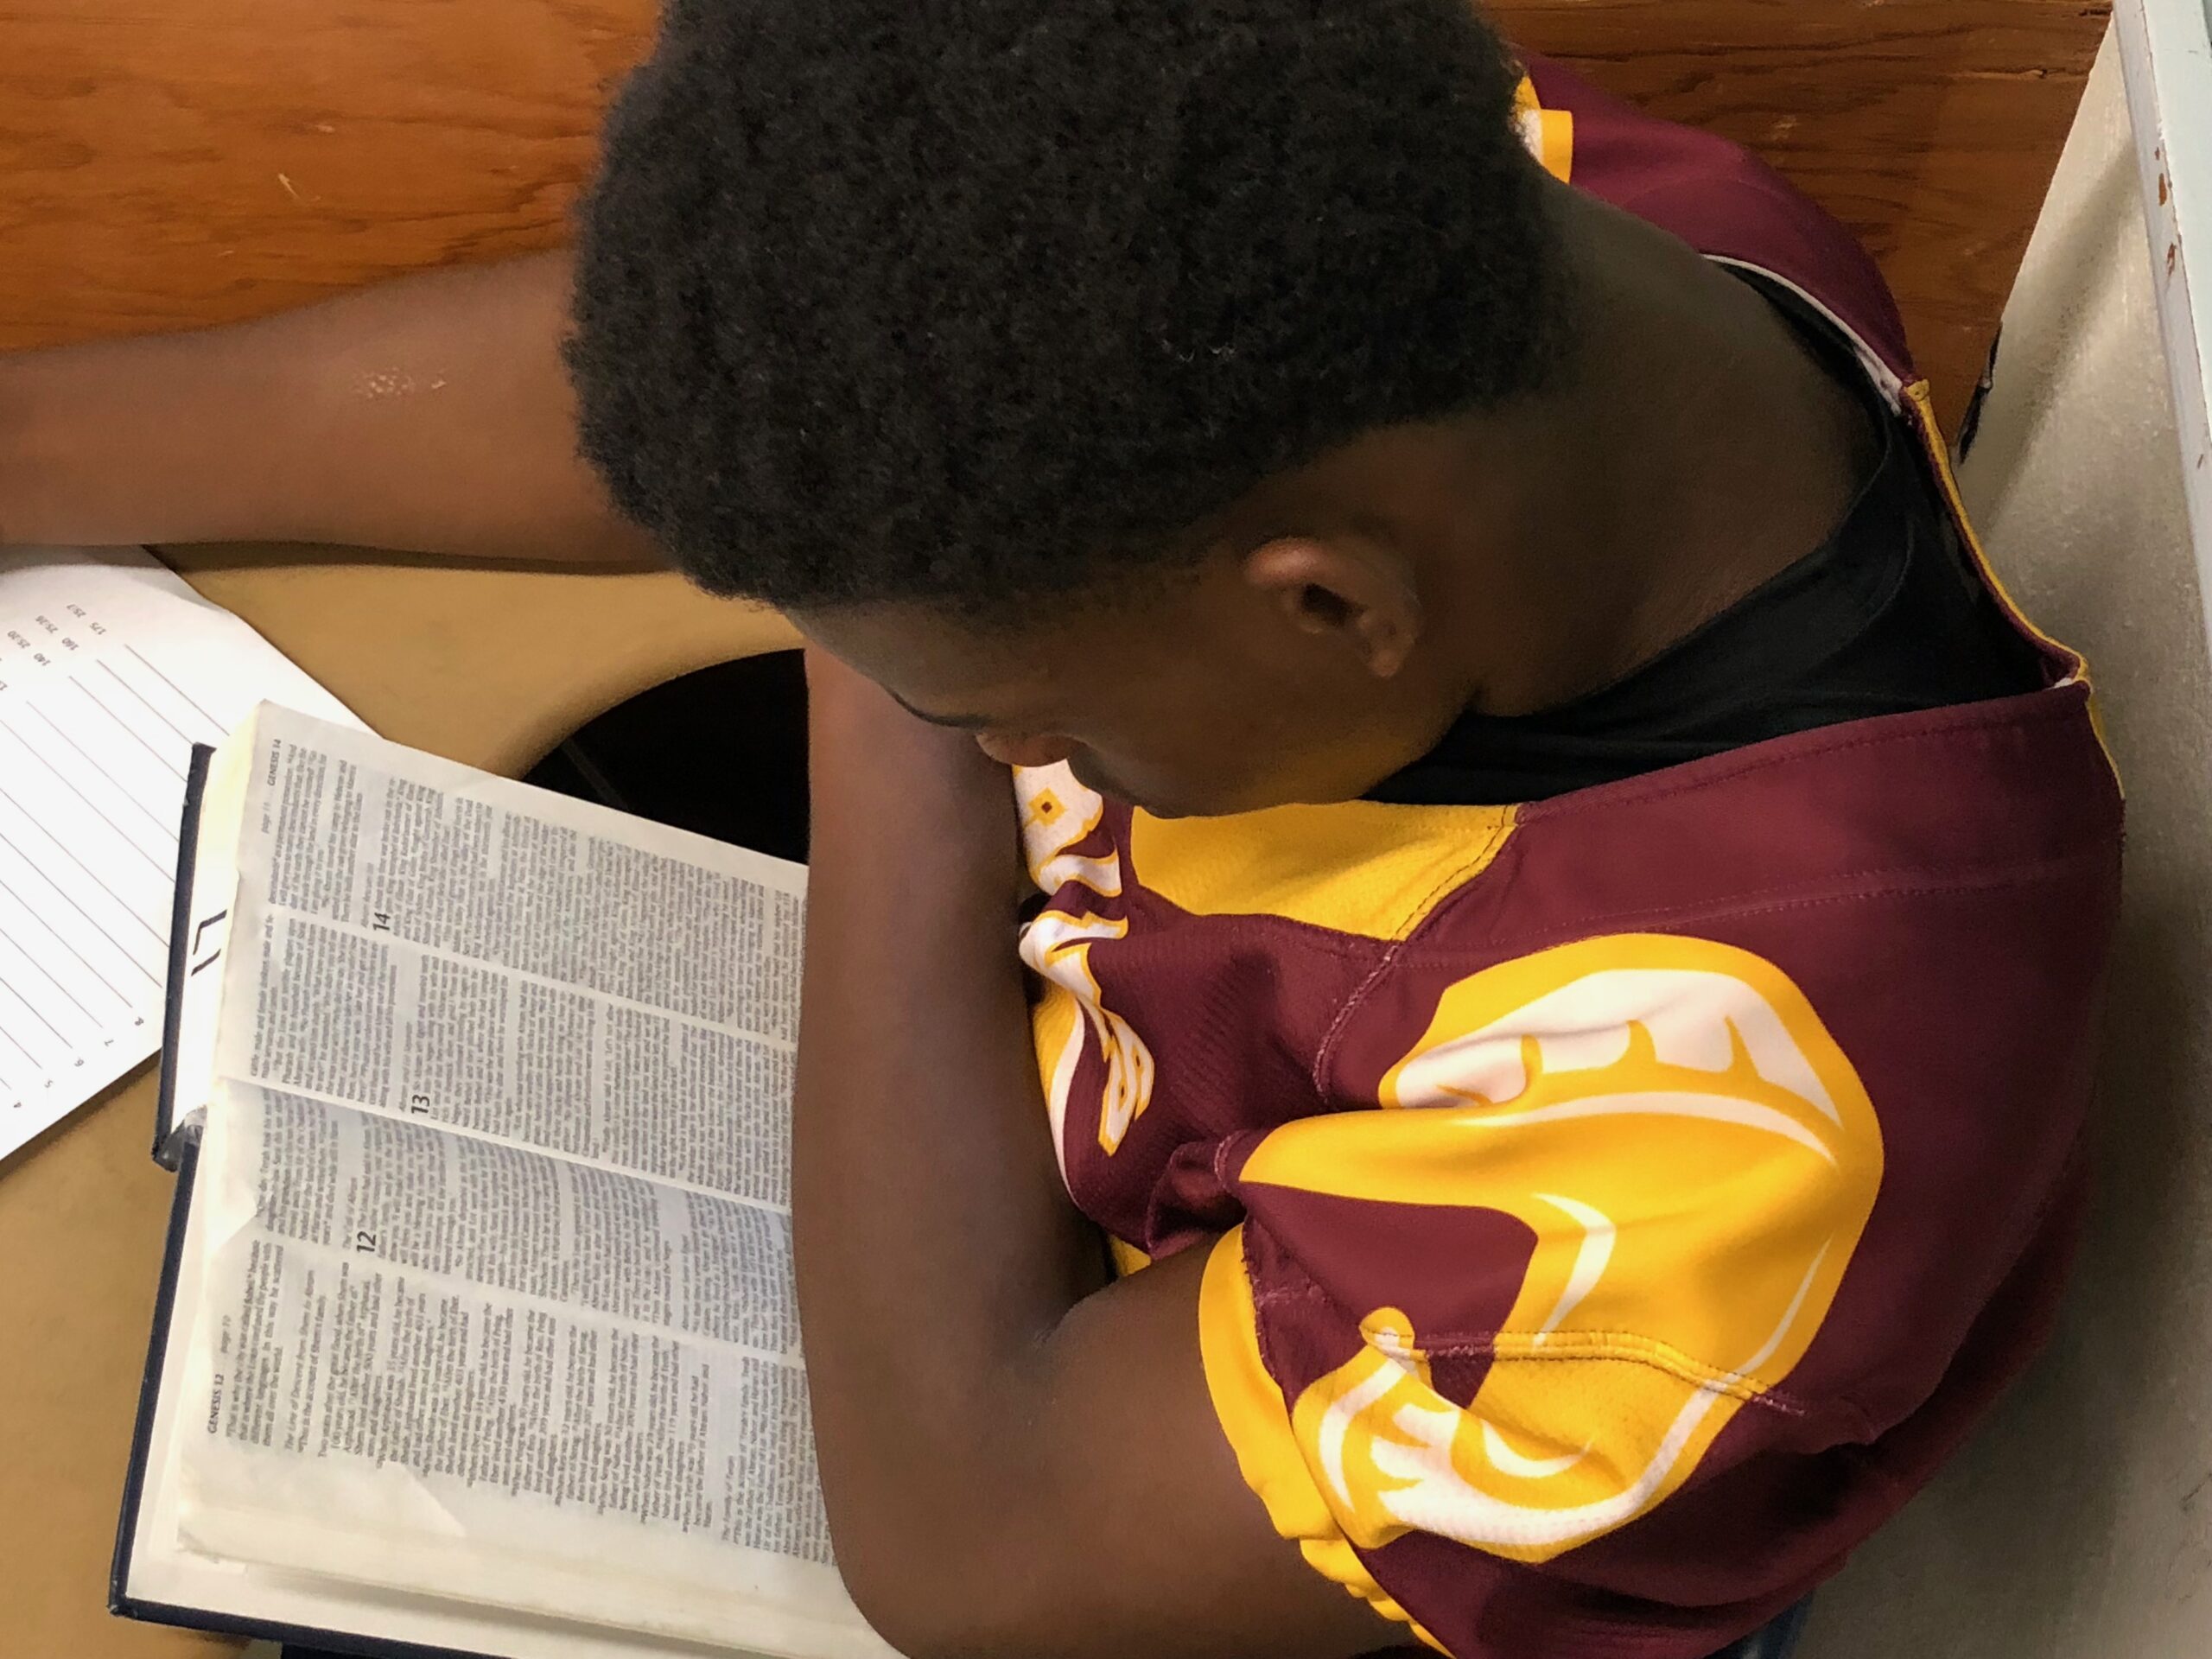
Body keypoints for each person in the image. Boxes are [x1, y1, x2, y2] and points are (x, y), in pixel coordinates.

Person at [0, 3, 2120, 1657]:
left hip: (1176, 1511)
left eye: (997, 695)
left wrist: (886, 689)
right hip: (1059, 1136)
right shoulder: (1506, 239)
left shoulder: (1724, 1126)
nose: (973, 722)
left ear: (1324, 608)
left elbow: (970, 1542)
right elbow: (814, 375)